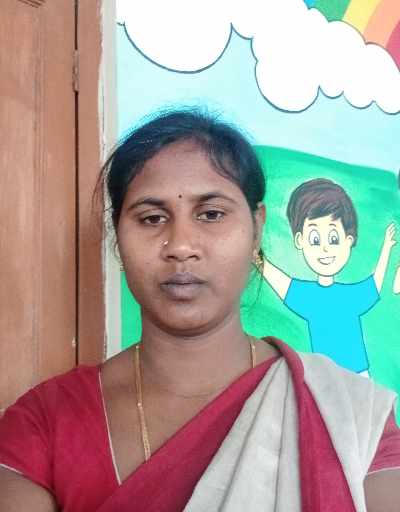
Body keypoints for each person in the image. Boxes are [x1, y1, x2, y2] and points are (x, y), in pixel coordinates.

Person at [0, 109, 399, 511]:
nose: (181, 245)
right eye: (151, 218)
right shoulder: (46, 423)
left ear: (257, 228)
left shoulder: (348, 417)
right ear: (118, 237)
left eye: (211, 215)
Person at [262, 178, 397, 375]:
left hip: (359, 375)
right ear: (300, 240)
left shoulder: (350, 296)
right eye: (315, 239)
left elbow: (375, 284)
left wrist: (386, 248)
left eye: (333, 239)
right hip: (325, 376)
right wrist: (256, 257)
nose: (325, 249)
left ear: (348, 240)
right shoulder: (307, 296)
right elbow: (277, 279)